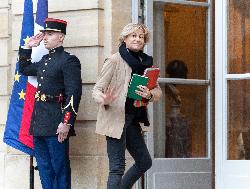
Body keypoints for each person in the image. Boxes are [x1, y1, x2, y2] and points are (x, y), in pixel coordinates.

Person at [92, 23, 162, 189]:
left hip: (132, 119)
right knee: (117, 168)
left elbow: (157, 90)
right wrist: (104, 99)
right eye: (133, 36)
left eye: (141, 37)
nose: (137, 39)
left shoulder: (147, 63)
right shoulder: (114, 60)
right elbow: (97, 89)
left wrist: (149, 94)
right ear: (125, 39)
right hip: (115, 118)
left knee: (144, 161)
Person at [18, 18, 82, 189]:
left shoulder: (69, 60)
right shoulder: (45, 61)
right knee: (45, 168)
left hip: (56, 124)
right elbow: (24, 69)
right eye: (45, 33)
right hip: (39, 123)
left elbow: (74, 93)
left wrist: (66, 122)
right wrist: (28, 46)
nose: (45, 37)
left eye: (50, 34)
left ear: (61, 37)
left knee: (59, 168)